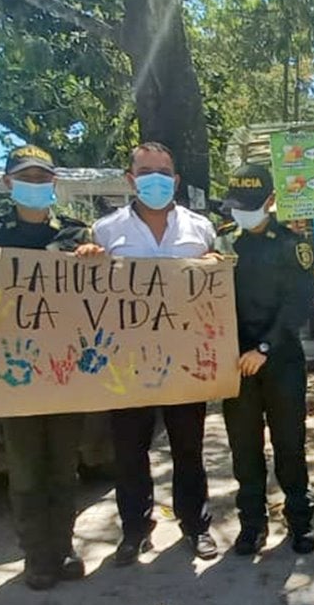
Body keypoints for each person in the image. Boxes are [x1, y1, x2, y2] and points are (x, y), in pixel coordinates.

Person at [0, 145, 95, 589]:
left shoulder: (76, 234)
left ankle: (63, 547)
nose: (36, 185)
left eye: (43, 178)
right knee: (25, 471)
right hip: (13, 375)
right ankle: (36, 556)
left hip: (64, 373)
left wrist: (95, 258)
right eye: (26, 178)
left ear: (54, 183)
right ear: (8, 183)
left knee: (63, 469)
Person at [89, 142, 219, 563]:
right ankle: (134, 530)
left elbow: (216, 286)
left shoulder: (201, 229)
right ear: (131, 180)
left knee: (189, 449)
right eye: (145, 172)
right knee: (129, 452)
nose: (155, 179)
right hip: (126, 364)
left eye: (163, 171)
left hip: (186, 362)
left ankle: (196, 525)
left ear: (176, 180)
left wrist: (215, 264)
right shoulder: (105, 232)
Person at [216, 163, 314, 556]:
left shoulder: (292, 244)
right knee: (244, 449)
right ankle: (252, 524)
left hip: (280, 359)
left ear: (271, 201)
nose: (241, 212)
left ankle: (300, 520)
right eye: (237, 205)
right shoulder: (225, 243)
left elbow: (300, 304)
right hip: (235, 363)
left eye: (251, 205)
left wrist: (264, 348)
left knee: (290, 444)